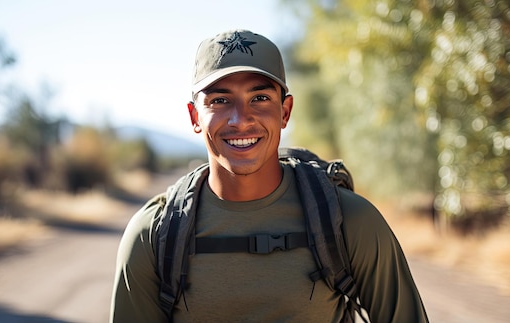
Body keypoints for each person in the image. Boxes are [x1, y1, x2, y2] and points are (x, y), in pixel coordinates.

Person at [110, 29, 429, 322]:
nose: (240, 119)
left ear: (285, 111)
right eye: (220, 100)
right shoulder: (153, 236)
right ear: (195, 116)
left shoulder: (349, 221)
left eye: (259, 98)